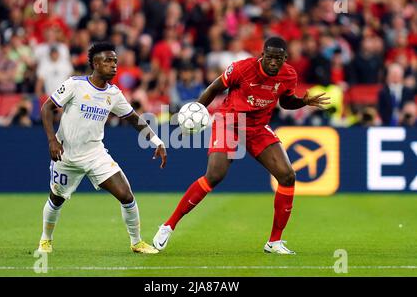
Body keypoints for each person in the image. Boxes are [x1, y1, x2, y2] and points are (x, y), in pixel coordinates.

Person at [153, 37, 329, 255]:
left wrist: (303, 101)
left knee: (287, 175)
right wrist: (196, 110)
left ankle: (274, 242)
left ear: (285, 58)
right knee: (214, 175)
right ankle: (168, 226)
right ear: (262, 55)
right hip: (229, 122)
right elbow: (214, 88)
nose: (274, 62)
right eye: (270, 57)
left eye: (279, 59)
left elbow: (285, 102)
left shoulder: (289, 74)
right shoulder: (242, 68)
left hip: (257, 127)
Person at [38, 42, 167, 254]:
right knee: (56, 198)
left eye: (115, 61)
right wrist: (52, 140)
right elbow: (47, 108)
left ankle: (136, 242)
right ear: (95, 64)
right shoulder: (75, 84)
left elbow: (134, 119)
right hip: (66, 155)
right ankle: (45, 239)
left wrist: (157, 142)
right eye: (108, 60)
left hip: (95, 154)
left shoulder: (113, 94)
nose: (114, 65)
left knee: (126, 195)